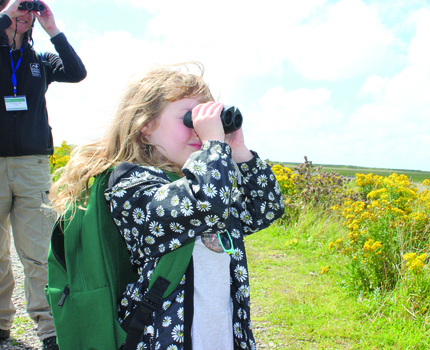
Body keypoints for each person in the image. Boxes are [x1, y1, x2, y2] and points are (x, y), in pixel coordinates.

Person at [50, 63, 284, 350]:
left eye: (206, 120)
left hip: (219, 333)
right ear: (145, 127)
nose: (201, 130)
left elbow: (266, 208)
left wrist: (239, 153)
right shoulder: (131, 183)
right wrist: (212, 146)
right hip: (164, 338)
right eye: (190, 119)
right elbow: (203, 205)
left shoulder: (203, 181)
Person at [0, 0, 87, 348]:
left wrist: (53, 29)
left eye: (28, 9)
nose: (23, 13)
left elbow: (77, 71)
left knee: (37, 253)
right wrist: (7, 12)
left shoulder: (40, 62)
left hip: (33, 166)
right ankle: (2, 323)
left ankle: (49, 330)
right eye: (16, 7)